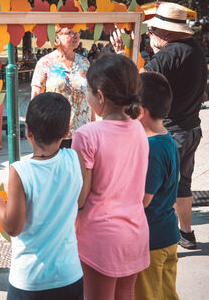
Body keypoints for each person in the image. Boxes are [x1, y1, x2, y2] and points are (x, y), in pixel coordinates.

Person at [111, 2, 208, 249]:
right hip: (192, 128)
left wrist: (125, 55)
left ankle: (160, 239)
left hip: (173, 131)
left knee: (159, 187)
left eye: (152, 32)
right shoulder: (194, 49)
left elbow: (140, 81)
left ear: (164, 33)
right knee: (182, 184)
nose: (150, 36)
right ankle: (186, 233)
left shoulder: (169, 54)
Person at [0, 92, 86, 300]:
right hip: (69, 274)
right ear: (67, 132)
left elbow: (12, 227)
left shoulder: (21, 170)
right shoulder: (75, 159)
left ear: (28, 132)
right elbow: (80, 201)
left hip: (31, 279)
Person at [72, 54, 150, 300]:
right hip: (135, 233)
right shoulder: (139, 127)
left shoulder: (86, 135)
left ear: (101, 96)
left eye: (88, 91)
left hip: (100, 240)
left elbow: (80, 198)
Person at [134, 72, 180, 300]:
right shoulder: (167, 138)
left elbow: (143, 200)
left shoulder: (151, 149)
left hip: (152, 241)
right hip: (168, 234)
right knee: (167, 294)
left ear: (141, 112)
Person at [31, 27, 93, 148]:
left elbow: (90, 95)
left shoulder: (85, 62)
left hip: (83, 133)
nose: (75, 35)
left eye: (77, 32)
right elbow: (36, 98)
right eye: (70, 32)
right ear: (57, 37)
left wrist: (94, 125)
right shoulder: (44, 63)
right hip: (54, 133)